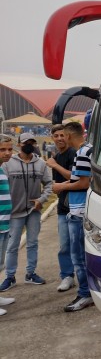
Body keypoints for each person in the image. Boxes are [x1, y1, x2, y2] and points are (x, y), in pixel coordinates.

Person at [0, 132, 53, 291]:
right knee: (12, 246)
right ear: (19, 144)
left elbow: (49, 184)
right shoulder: (7, 164)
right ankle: (10, 276)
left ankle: (30, 273)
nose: (29, 144)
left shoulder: (41, 164)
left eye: (32, 142)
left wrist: (41, 200)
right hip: (14, 213)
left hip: (34, 211)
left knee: (33, 243)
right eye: (26, 142)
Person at [53, 122, 93, 312]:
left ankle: (85, 294)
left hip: (79, 211)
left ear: (68, 136)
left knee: (78, 257)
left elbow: (84, 183)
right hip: (78, 209)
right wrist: (69, 182)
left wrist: (62, 186)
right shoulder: (86, 150)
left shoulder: (83, 153)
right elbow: (79, 179)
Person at [46, 124, 77, 292]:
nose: (59, 138)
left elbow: (74, 178)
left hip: (77, 206)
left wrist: (55, 166)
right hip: (63, 207)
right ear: (52, 138)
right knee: (64, 244)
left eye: (62, 135)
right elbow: (57, 184)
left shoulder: (73, 154)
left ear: (68, 137)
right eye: (56, 136)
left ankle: (85, 275)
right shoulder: (56, 156)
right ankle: (67, 276)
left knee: (78, 243)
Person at [0, 135, 16, 315]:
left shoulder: (2, 170)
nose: (7, 153)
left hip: (4, 224)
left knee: (0, 264)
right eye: (3, 149)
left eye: (10, 149)